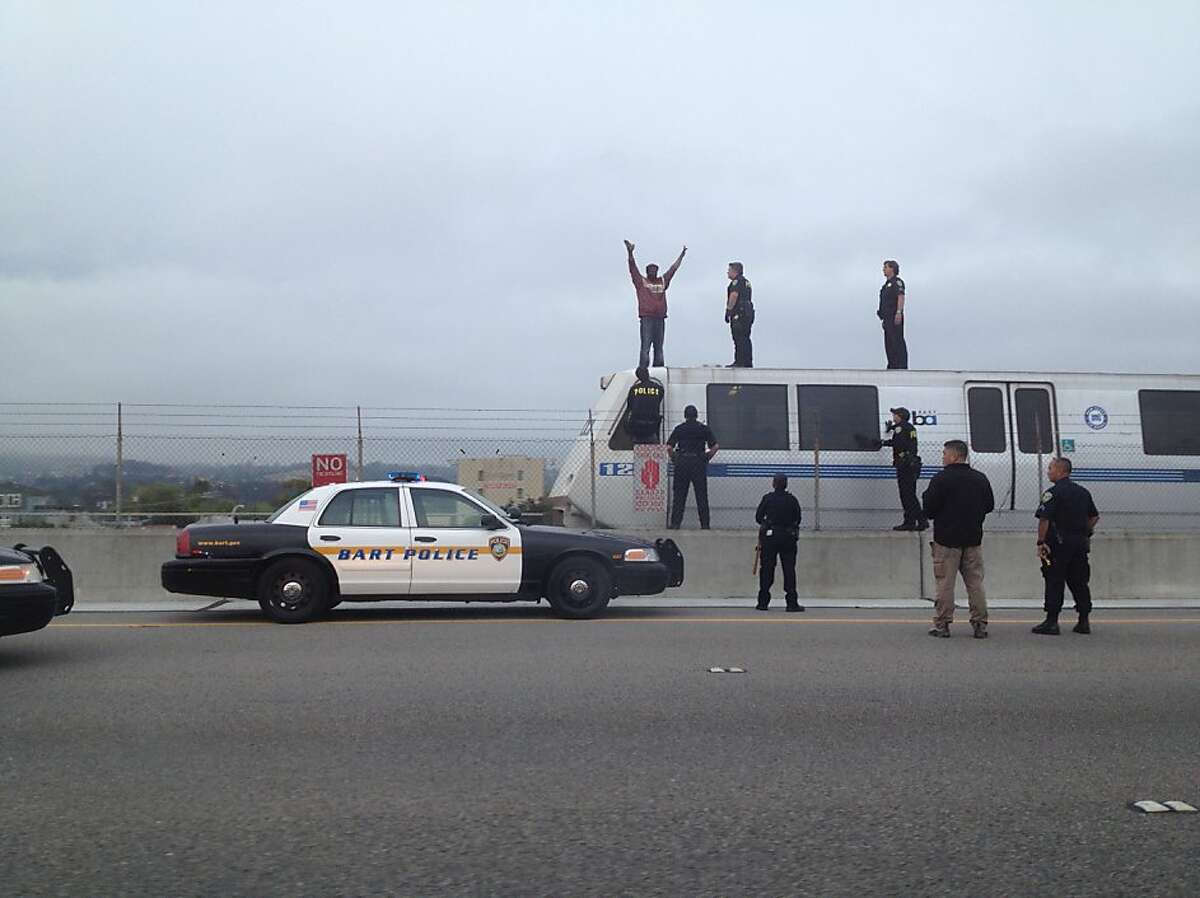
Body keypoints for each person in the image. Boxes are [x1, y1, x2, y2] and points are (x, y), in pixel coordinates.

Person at [921, 440, 995, 638]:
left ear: (954, 456)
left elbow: (929, 508)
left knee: (945, 583)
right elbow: (989, 505)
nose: (943, 457)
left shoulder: (941, 479)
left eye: (945, 453)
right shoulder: (980, 478)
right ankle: (980, 624)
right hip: (973, 538)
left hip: (946, 539)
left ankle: (943, 624)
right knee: (975, 583)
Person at [1033, 457, 1100, 635]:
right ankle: (1084, 620)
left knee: (1054, 579)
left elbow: (1044, 519)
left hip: (1057, 545)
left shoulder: (1052, 493)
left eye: (1050, 468)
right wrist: (1085, 531)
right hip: (1079, 544)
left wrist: (1041, 542)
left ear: (1061, 471)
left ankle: (1052, 621)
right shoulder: (1083, 492)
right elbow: (1094, 516)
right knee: (1079, 581)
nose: (1048, 472)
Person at [625, 239, 686, 369]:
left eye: (655, 269)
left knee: (659, 347)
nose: (653, 271)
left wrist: (681, 255)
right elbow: (633, 269)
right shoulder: (641, 281)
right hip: (647, 317)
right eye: (651, 269)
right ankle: (643, 369)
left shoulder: (662, 281)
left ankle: (658, 370)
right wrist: (630, 253)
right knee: (646, 346)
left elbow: (673, 269)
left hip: (659, 318)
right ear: (647, 271)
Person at [754, 473, 804, 612]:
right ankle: (791, 602)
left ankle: (763, 602)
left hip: (770, 537)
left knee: (767, 569)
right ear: (786, 484)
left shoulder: (768, 498)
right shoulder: (792, 500)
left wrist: (767, 524)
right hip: (788, 537)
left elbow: (758, 517)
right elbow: (798, 518)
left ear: (773, 484)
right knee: (789, 569)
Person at [667, 405, 719, 529]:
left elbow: (669, 447)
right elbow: (715, 446)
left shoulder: (679, 429)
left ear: (685, 416)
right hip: (698, 463)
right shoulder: (703, 429)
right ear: (696, 415)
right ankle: (705, 525)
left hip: (682, 463)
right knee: (701, 496)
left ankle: (675, 524)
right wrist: (706, 457)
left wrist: (675, 459)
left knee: (679, 497)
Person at [880, 407, 927, 531]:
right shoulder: (909, 428)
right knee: (910, 494)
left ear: (900, 416)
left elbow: (899, 443)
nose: (893, 417)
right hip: (911, 465)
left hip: (905, 465)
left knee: (906, 495)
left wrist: (883, 442)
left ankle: (916, 521)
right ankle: (914, 521)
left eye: (895, 415)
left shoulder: (901, 428)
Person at [877, 260, 908, 370]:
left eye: (886, 267)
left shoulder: (897, 282)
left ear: (892, 269)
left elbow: (900, 296)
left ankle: (901, 365)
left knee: (897, 340)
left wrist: (899, 312)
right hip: (887, 318)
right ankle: (892, 365)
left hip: (894, 315)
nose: (883, 269)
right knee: (889, 343)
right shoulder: (885, 286)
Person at [625, 366, 665, 444]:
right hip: (652, 426)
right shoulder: (659, 388)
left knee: (638, 448)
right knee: (653, 447)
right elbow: (659, 399)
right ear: (648, 374)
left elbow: (630, 406)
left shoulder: (634, 389)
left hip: (637, 428)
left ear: (638, 377)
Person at [725, 262, 753, 368]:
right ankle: (747, 362)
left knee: (738, 337)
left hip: (739, 314)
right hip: (748, 313)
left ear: (735, 271)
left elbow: (734, 295)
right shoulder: (746, 282)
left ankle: (740, 361)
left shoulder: (736, 282)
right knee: (746, 338)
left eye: (729, 270)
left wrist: (728, 310)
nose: (727, 272)